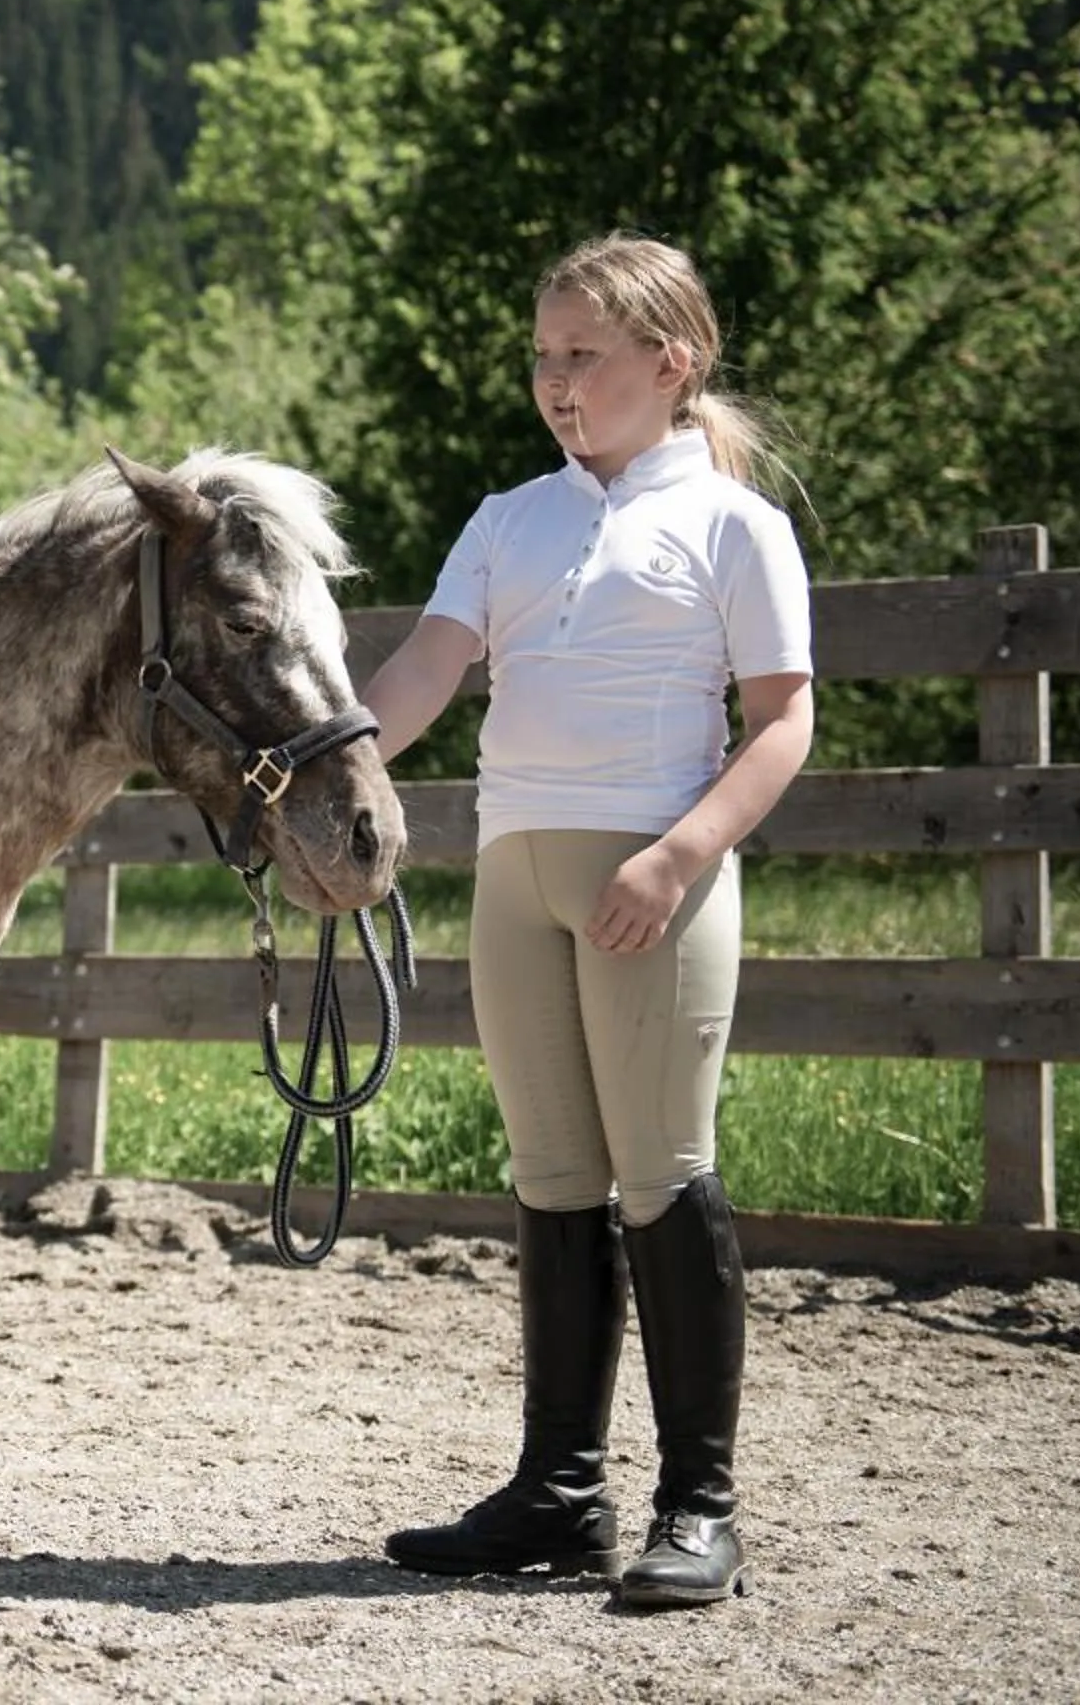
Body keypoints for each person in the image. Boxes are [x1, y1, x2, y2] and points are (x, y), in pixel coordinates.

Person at [361, 233, 813, 1609]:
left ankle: (699, 1507)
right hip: (517, 874)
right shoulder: (512, 519)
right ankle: (558, 1492)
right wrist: (323, 779)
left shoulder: (736, 527)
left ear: (671, 366)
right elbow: (428, 667)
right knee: (554, 1175)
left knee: (662, 1169)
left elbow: (783, 723)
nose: (557, 381)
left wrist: (679, 856)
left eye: (585, 356)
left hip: (649, 879)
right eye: (544, 355)